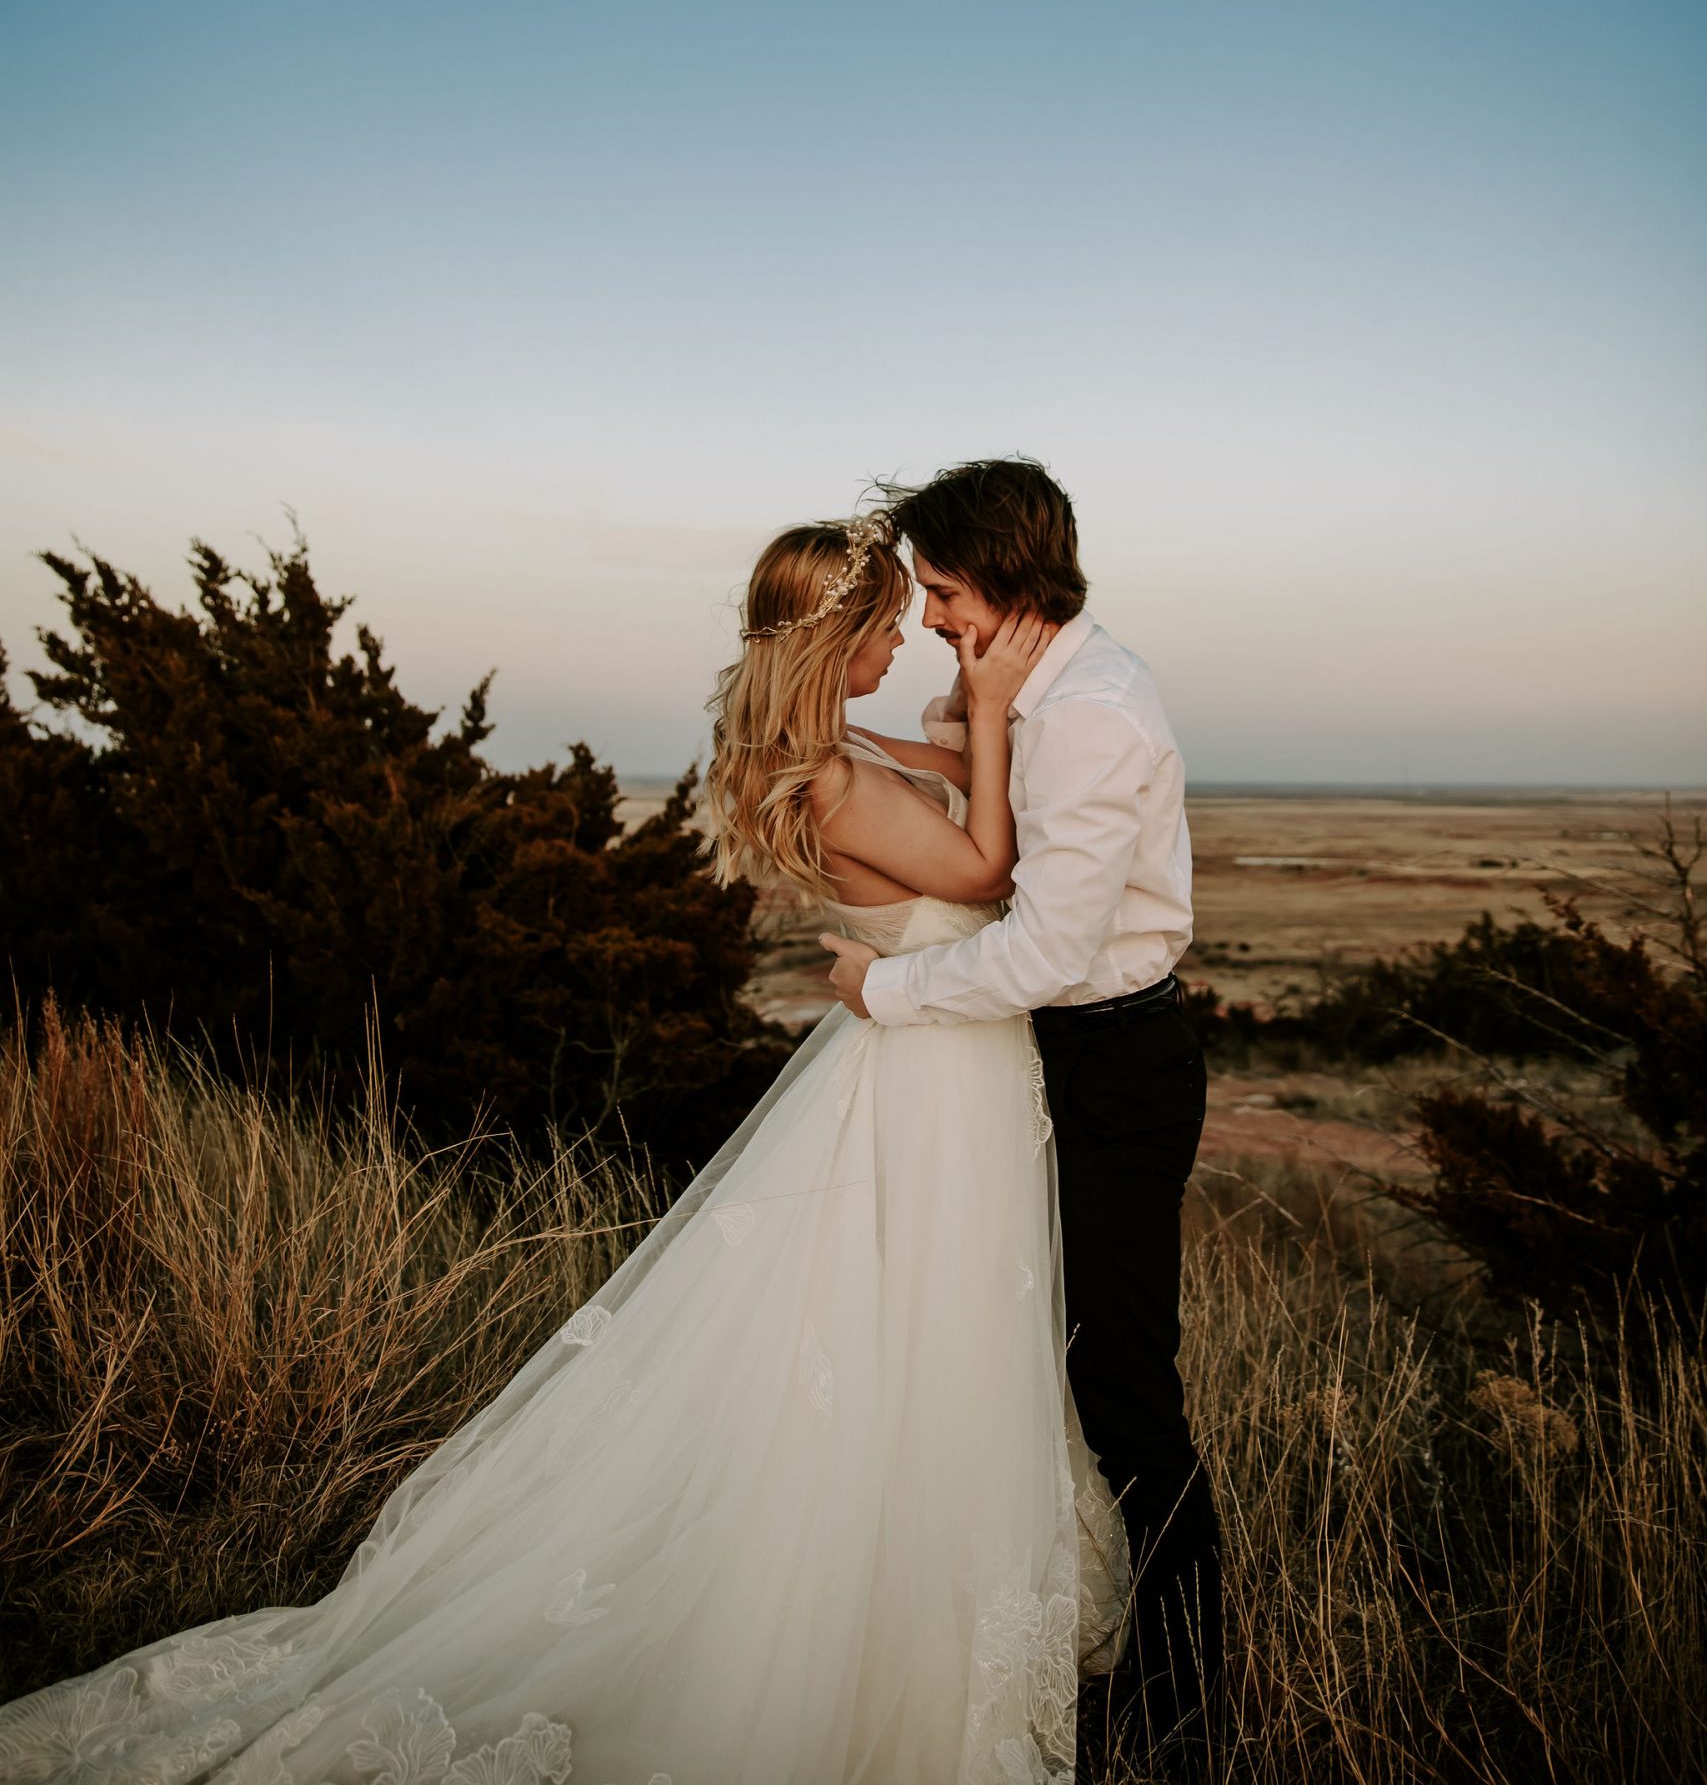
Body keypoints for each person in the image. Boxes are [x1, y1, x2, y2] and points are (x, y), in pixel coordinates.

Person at [0, 514, 1128, 1785]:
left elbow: (944, 802)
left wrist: (962, 721)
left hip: (945, 1070)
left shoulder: (821, 745)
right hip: (933, 1088)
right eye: (881, 629)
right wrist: (981, 703)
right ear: (834, 640)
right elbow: (992, 860)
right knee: (924, 1342)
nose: (901, 645)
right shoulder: (828, 777)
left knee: (932, 1341)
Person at [821, 460, 1221, 1768]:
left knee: (1119, 1381)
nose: (931, 616)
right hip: (1055, 1060)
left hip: (1111, 1064)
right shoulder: (1024, 687)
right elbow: (952, 761)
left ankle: (1192, 1695)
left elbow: (1045, 952)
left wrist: (885, 986)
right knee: (1034, 1350)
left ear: (998, 574)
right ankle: (1058, 1623)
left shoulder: (1094, 713)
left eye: (939, 590)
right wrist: (890, 735)